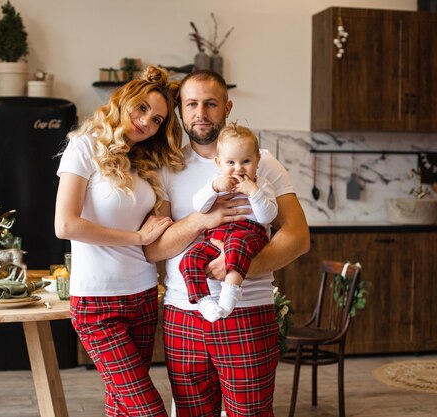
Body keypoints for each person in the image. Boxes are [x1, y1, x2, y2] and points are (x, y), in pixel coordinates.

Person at [145, 70, 310, 417]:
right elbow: (154, 249)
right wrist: (203, 220)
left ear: (227, 107)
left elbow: (298, 237)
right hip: (184, 314)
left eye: (210, 104)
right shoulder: (167, 168)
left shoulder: (263, 163)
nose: (200, 113)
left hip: (249, 312)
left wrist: (237, 267)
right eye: (191, 104)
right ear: (180, 109)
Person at [54, 65, 184, 417]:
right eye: (142, 108)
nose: (147, 122)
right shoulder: (83, 147)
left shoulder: (146, 161)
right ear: (124, 100)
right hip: (97, 304)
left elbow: (162, 221)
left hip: (142, 297)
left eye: (157, 119)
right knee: (149, 409)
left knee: (122, 405)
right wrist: (136, 237)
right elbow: (65, 225)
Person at [180, 122, 278, 322]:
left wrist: (253, 192)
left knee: (236, 244)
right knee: (190, 258)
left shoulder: (262, 185)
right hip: (216, 236)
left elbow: (268, 217)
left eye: (246, 161)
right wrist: (214, 187)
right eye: (230, 162)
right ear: (219, 163)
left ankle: (230, 292)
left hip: (249, 234)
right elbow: (199, 206)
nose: (238, 169)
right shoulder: (216, 181)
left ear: (257, 160)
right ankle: (204, 300)